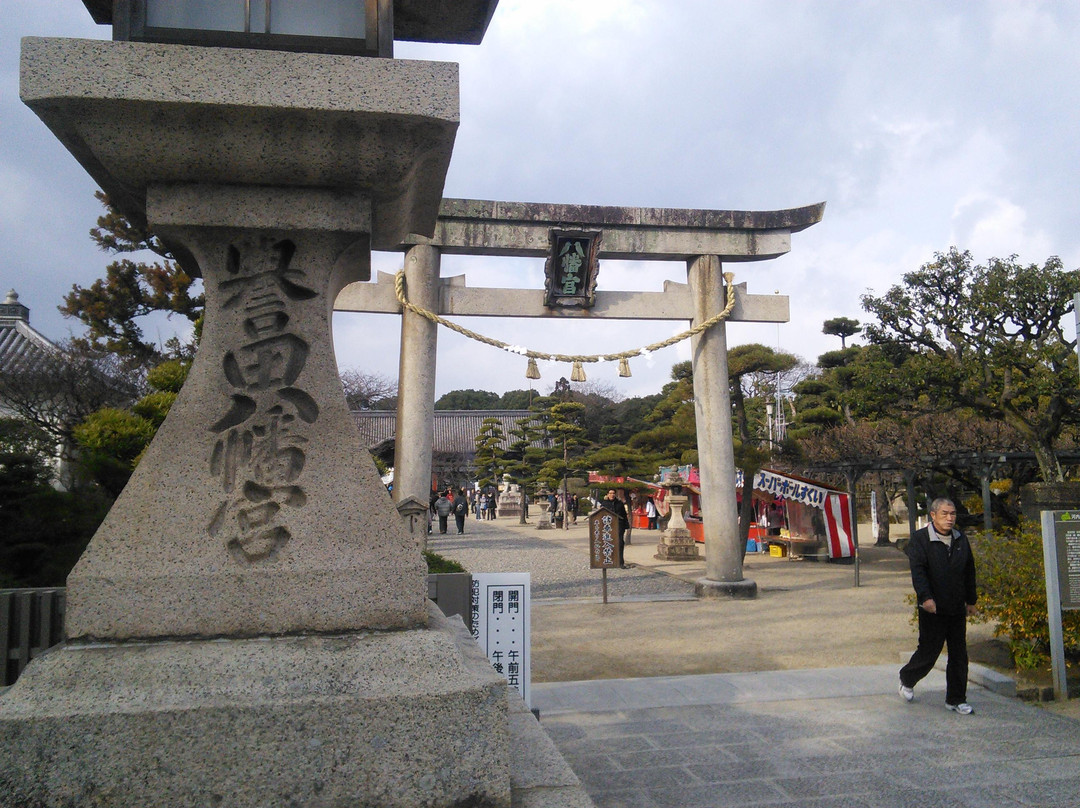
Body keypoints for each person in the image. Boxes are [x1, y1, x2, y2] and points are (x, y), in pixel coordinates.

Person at [899, 497, 978, 714]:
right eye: (944, 514)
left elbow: (969, 570)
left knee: (959, 654)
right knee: (929, 651)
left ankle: (956, 699)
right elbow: (919, 571)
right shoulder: (920, 539)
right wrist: (925, 597)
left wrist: (971, 600)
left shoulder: (961, 539)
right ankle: (907, 678)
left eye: (952, 514)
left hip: (956, 606)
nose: (950, 518)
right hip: (932, 606)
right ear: (933, 515)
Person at [600, 489, 629, 567]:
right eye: (610, 493)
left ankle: (620, 562)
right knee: (608, 543)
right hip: (608, 526)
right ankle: (609, 560)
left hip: (619, 525)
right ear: (607, 494)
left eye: (613, 493)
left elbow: (624, 515)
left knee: (620, 543)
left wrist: (626, 525)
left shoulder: (620, 503)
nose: (612, 495)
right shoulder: (604, 504)